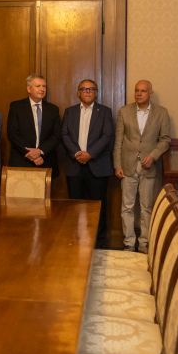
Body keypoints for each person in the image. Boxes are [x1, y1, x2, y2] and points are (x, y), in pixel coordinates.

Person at [113, 79, 171, 253]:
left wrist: (153, 156)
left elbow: (165, 140)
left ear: (150, 93)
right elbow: (118, 141)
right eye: (137, 90)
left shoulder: (161, 113)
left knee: (146, 207)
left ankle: (144, 243)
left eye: (143, 91)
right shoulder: (124, 111)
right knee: (127, 207)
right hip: (127, 166)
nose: (139, 94)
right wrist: (117, 165)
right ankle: (129, 243)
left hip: (149, 167)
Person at [62, 79, 115, 247]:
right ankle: (76, 239)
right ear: (78, 93)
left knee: (98, 207)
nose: (87, 92)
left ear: (96, 93)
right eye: (84, 89)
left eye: (91, 89)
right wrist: (77, 153)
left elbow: (107, 136)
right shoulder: (69, 112)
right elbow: (64, 135)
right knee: (75, 206)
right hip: (74, 166)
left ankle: (98, 243)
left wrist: (90, 154)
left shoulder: (105, 111)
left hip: (97, 166)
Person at [7, 74, 61, 172]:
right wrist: (30, 153)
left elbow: (56, 135)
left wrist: (40, 151)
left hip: (45, 160)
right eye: (38, 86)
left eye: (44, 86)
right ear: (29, 89)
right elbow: (12, 133)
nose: (42, 89)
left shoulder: (53, 109)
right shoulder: (16, 107)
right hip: (22, 160)